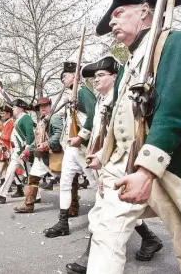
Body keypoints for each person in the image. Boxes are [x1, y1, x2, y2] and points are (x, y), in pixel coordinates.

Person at [85, 0, 181, 273]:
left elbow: (173, 112)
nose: (112, 23)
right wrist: (105, 159)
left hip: (167, 166)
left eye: (119, 13)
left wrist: (146, 171)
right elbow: (119, 120)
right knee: (105, 234)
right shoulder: (131, 63)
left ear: (145, 10)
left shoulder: (174, 42)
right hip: (123, 166)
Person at [66, 56, 163, 274]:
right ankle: (149, 239)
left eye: (101, 75)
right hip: (107, 160)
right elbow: (103, 131)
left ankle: (93, 256)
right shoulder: (104, 99)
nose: (96, 80)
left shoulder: (120, 98)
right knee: (107, 213)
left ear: (114, 77)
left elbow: (125, 134)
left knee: (110, 215)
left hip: (126, 161)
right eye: (94, 77)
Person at [43, 62, 97, 238]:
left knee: (100, 187)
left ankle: (147, 235)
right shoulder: (71, 97)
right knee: (65, 185)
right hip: (71, 149)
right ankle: (63, 222)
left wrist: (81, 137)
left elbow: (93, 115)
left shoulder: (82, 92)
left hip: (83, 148)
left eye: (65, 77)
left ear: (75, 76)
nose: (63, 80)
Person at [14, 97, 63, 213]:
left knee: (65, 181)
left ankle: (73, 206)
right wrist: (27, 150)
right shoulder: (42, 121)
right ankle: (28, 205)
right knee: (33, 178)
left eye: (45, 106)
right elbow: (36, 141)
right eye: (40, 107)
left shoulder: (54, 117)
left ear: (50, 106)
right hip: (41, 155)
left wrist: (47, 143)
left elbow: (58, 133)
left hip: (53, 155)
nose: (43, 108)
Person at [0, 99, 35, 203]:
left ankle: (2, 194)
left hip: (22, 151)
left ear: (20, 108)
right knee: (25, 174)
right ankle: (2, 194)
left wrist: (27, 149)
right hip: (17, 150)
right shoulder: (21, 118)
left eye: (14, 107)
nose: (13, 109)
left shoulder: (26, 118)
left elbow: (30, 135)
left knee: (27, 174)